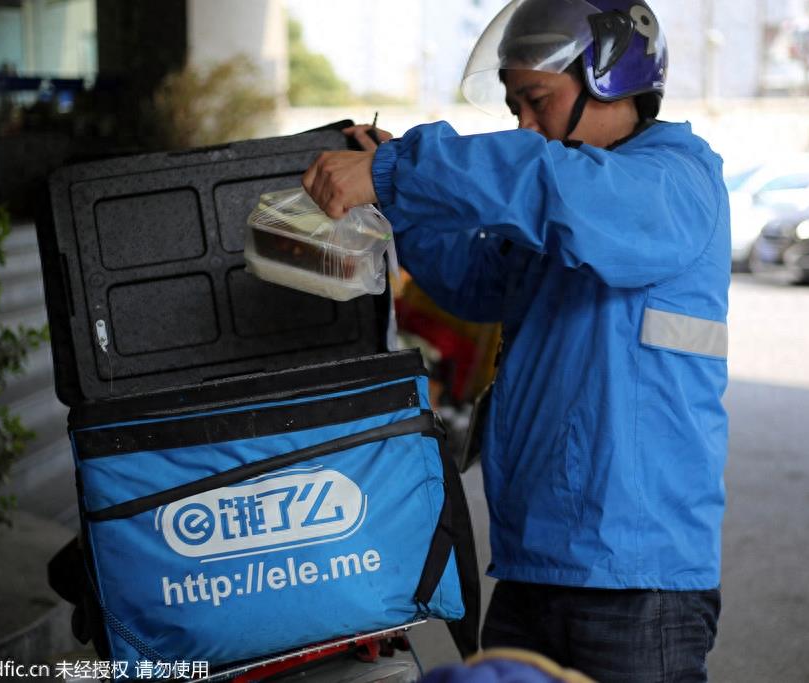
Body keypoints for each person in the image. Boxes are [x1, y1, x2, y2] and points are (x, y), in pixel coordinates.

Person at [303, 1, 729, 680]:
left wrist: (399, 169)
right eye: (514, 107)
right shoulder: (565, 202)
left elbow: (542, 179)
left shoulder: (672, 182)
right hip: (535, 565)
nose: (526, 124)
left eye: (537, 100)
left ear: (612, 79)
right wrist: (397, 197)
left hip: (635, 580)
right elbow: (474, 279)